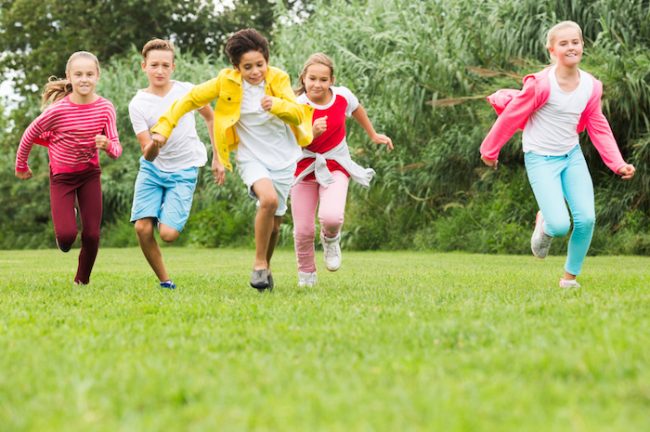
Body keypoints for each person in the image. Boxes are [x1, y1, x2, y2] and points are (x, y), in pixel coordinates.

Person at [150, 28, 313, 291]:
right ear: (236, 66)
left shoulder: (279, 79)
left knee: (275, 224)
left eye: (260, 64)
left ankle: (265, 267)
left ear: (267, 61)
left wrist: (278, 105)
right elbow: (189, 100)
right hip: (251, 156)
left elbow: (299, 114)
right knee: (268, 200)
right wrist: (164, 128)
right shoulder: (225, 82)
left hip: (284, 156)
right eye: (247, 66)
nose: (255, 71)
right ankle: (259, 263)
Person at [480, 21, 635, 288]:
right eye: (563, 44)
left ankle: (569, 279)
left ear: (582, 46)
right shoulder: (541, 85)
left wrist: (617, 163)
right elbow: (511, 116)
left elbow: (597, 125)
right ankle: (545, 222)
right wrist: (490, 151)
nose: (571, 47)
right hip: (540, 158)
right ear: (552, 51)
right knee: (560, 225)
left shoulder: (591, 86)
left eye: (575, 42)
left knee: (586, 218)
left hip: (571, 156)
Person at [15, 51, 122, 285]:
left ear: (97, 76)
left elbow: (117, 149)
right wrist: (21, 165)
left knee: (92, 235)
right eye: (79, 74)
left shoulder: (105, 108)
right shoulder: (57, 110)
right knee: (65, 239)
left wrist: (107, 145)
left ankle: (81, 281)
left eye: (90, 74)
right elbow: (29, 134)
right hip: (62, 178)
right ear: (69, 76)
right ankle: (68, 221)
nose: (84, 79)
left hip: (89, 175)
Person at [291, 53, 393, 287]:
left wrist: (373, 134)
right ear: (303, 79)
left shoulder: (342, 96)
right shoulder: (297, 106)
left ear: (331, 80)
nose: (317, 84)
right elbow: (289, 142)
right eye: (312, 79)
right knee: (304, 230)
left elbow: (357, 109)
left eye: (323, 79)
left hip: (336, 163)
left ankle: (331, 239)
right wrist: (311, 134)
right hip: (304, 168)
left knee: (332, 217)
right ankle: (306, 275)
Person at [128, 39, 219, 290]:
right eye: (154, 65)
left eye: (165, 65)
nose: (160, 70)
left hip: (184, 169)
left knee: (168, 234)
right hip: (152, 170)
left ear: (173, 67)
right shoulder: (137, 104)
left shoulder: (187, 91)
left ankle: (167, 210)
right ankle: (165, 281)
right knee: (143, 228)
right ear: (144, 66)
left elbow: (211, 118)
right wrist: (156, 143)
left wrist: (217, 157)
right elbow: (148, 155)